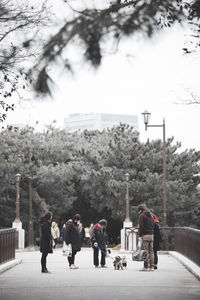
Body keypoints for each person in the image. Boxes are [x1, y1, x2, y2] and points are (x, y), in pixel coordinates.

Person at [138, 205, 154, 271]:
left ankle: (146, 267)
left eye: (138, 211)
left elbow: (141, 227)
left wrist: (140, 235)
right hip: (151, 235)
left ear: (140, 210)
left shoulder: (142, 216)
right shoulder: (150, 215)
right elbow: (153, 225)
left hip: (145, 235)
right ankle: (152, 267)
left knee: (145, 251)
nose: (138, 213)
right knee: (151, 251)